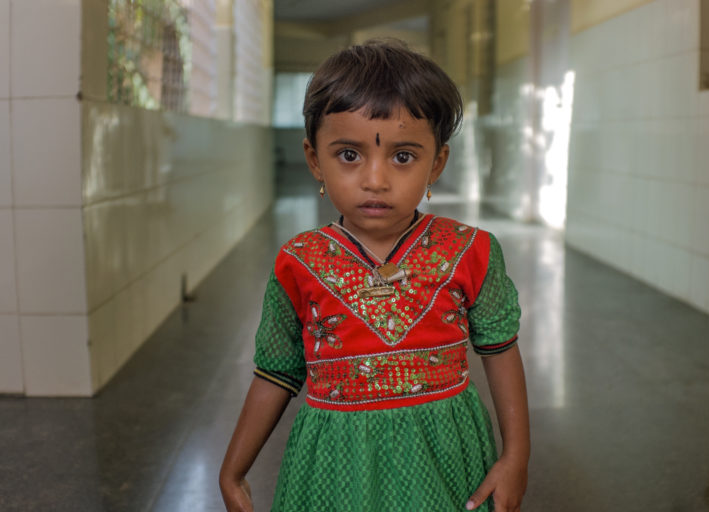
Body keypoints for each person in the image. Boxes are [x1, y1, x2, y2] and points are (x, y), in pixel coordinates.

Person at [219, 39, 529, 512]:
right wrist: (232, 471)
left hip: (444, 464)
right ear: (314, 159)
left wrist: (516, 458)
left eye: (403, 157)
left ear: (436, 164)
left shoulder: (472, 252)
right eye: (349, 155)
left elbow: (501, 352)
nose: (375, 179)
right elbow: (275, 373)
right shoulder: (298, 263)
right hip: (334, 470)